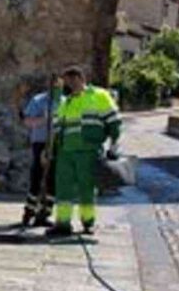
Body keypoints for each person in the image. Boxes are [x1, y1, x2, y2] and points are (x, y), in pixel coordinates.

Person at [47, 66, 121, 238]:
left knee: (86, 188)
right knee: (63, 189)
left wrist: (114, 145)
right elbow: (57, 129)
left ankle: (88, 223)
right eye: (67, 82)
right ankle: (63, 223)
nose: (69, 85)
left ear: (80, 78)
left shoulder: (99, 96)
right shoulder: (66, 101)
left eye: (71, 81)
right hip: (65, 152)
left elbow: (114, 121)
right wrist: (51, 150)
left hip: (88, 151)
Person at [20, 76, 63, 227]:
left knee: (52, 179)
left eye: (60, 85)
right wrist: (44, 120)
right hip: (41, 143)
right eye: (55, 85)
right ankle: (29, 211)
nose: (57, 88)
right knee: (37, 177)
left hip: (57, 144)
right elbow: (27, 121)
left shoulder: (64, 102)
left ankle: (44, 214)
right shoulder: (39, 101)